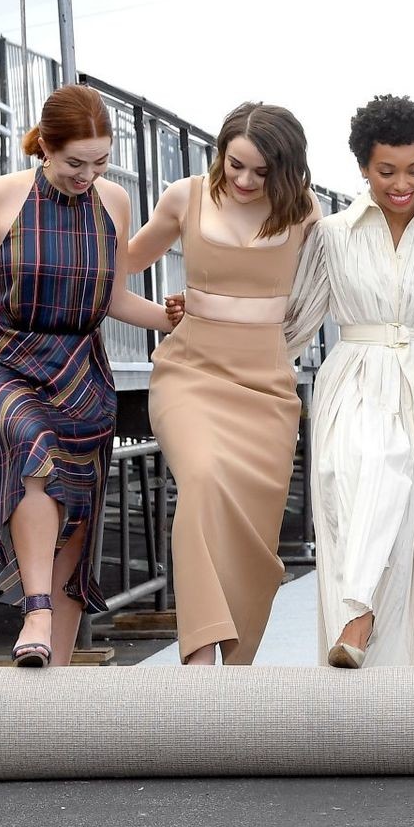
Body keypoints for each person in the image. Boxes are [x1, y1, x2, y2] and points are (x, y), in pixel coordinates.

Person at [0, 84, 176, 668]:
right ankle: (36, 611)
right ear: (45, 146)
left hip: (81, 369)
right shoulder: (0, 196)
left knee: (77, 506)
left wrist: (170, 318)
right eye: (76, 162)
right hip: (8, 359)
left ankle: (58, 666)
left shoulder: (114, 201)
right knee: (33, 452)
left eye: (101, 163)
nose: (88, 175)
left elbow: (114, 297)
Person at [280, 95, 414, 668]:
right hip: (354, 378)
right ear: (363, 167)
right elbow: (294, 324)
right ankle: (357, 616)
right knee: (360, 485)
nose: (402, 184)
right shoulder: (331, 235)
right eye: (386, 171)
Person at [125, 103, 319, 666]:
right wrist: (161, 316)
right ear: (220, 153)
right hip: (190, 374)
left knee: (256, 534)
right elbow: (119, 264)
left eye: (262, 172)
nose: (245, 181)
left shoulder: (304, 211)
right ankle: (198, 655)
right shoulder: (183, 196)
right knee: (203, 479)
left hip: (267, 388)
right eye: (236, 165)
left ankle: (232, 671)